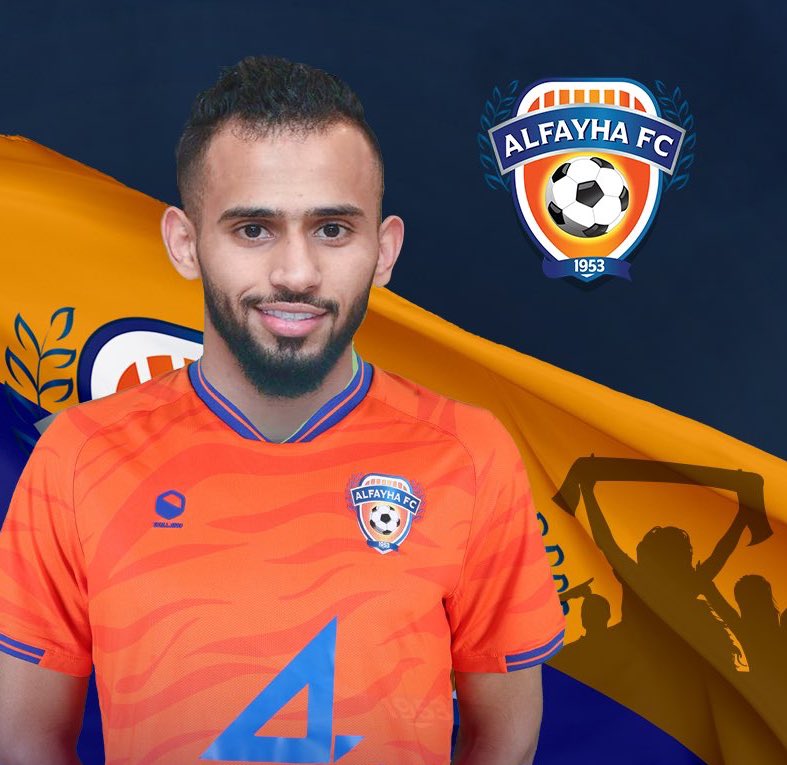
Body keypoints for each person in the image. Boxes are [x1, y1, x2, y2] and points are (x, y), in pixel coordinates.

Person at [0, 56, 564, 765]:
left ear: (384, 249)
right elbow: (24, 738)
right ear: (185, 243)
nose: (296, 273)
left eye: (332, 229)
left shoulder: (469, 452)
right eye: (253, 229)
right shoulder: (78, 456)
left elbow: (504, 737)